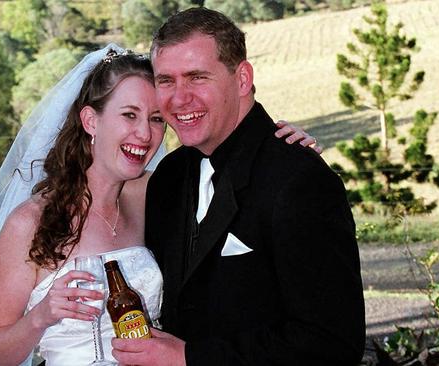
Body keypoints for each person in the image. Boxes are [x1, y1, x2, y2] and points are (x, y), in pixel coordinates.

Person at [0, 44, 320, 365]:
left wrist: (281, 150)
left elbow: (230, 170)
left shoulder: (157, 194)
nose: (145, 134)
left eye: (157, 119)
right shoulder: (30, 222)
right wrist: (39, 318)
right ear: (91, 120)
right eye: (129, 115)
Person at [112, 7, 365, 366]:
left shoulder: (299, 178)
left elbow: (332, 343)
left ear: (242, 79)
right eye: (166, 80)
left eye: (197, 77)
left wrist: (190, 357)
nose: (179, 98)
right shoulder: (168, 176)